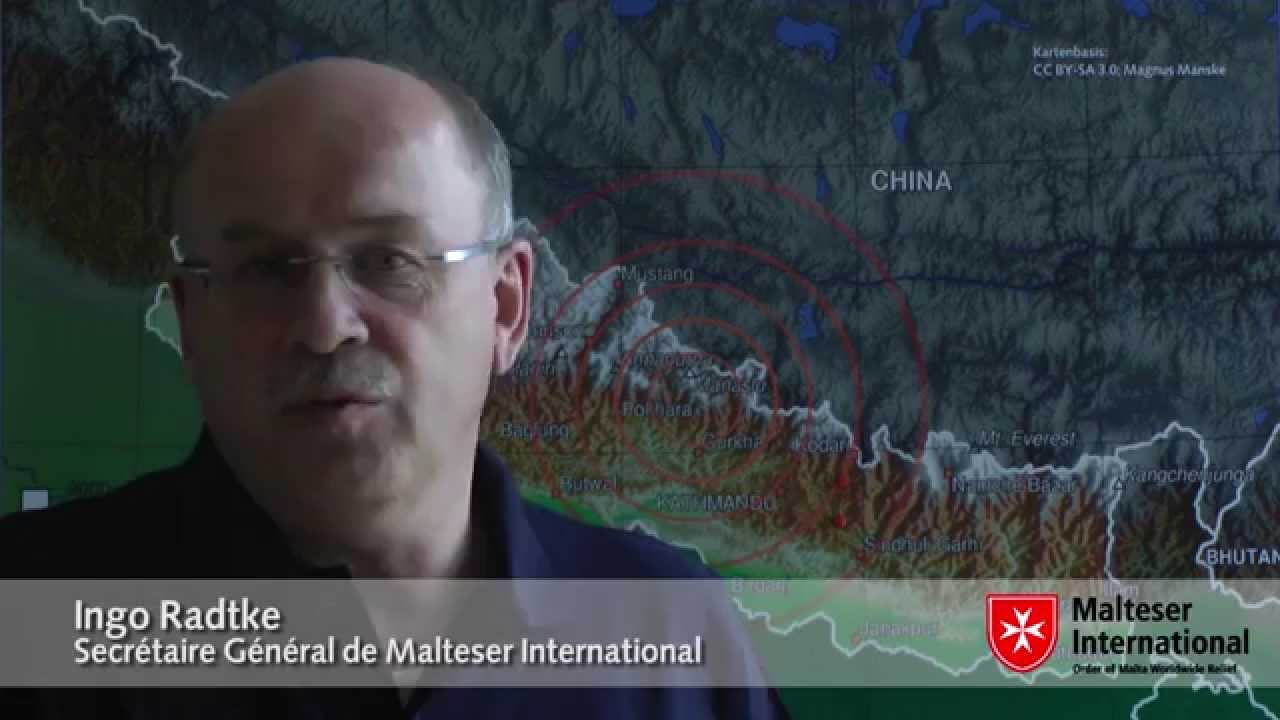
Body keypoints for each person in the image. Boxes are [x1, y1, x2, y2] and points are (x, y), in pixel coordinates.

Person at [0, 58, 790, 718]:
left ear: (506, 306)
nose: (324, 326)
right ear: (188, 320)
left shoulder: (674, 640)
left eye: (387, 261)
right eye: (266, 269)